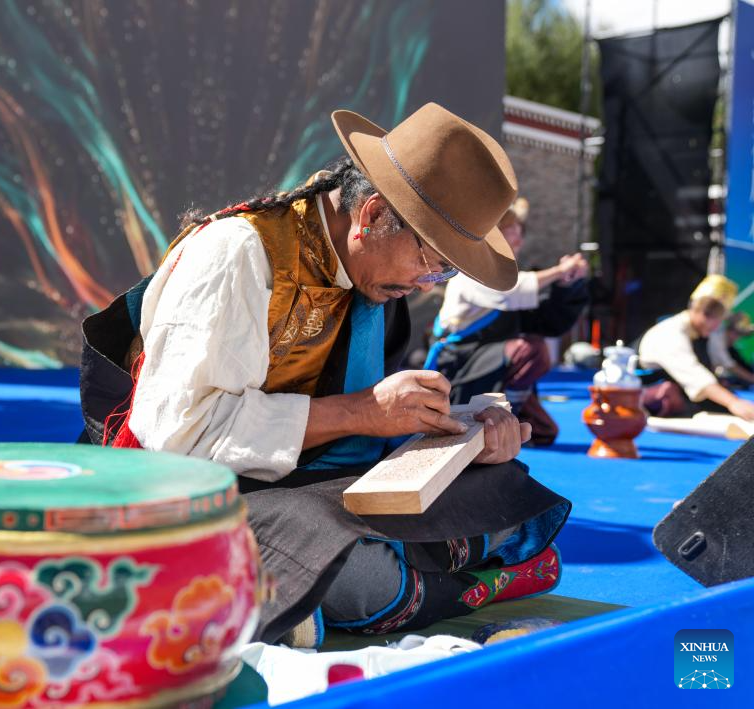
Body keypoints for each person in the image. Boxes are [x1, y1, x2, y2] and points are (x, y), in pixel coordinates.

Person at [79, 104, 569, 646]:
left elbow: (362, 436)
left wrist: (460, 438)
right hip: (201, 490)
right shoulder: (238, 254)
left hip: (313, 486)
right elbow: (178, 439)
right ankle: (466, 582)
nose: (427, 283)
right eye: (433, 261)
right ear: (372, 215)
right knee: (357, 572)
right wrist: (362, 413)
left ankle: (302, 593)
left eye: (444, 271)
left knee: (505, 488)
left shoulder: (369, 273)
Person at [426, 197, 590, 445]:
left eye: (518, 237)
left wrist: (568, 285)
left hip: (494, 367)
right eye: (510, 236)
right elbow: (508, 292)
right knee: (529, 350)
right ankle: (508, 414)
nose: (517, 243)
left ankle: (511, 410)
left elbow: (549, 322)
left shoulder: (513, 281)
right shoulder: (468, 274)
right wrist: (559, 271)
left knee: (544, 431)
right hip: (462, 366)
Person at [638, 275, 754, 421]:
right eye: (715, 318)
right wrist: (734, 403)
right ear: (701, 311)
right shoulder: (670, 333)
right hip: (653, 408)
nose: (717, 326)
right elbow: (696, 377)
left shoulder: (702, 333)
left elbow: (721, 363)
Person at [715, 311, 754, 386]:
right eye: (736, 333)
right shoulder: (717, 340)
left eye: (740, 334)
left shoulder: (729, 344)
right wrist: (751, 378)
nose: (737, 338)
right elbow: (730, 365)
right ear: (729, 329)